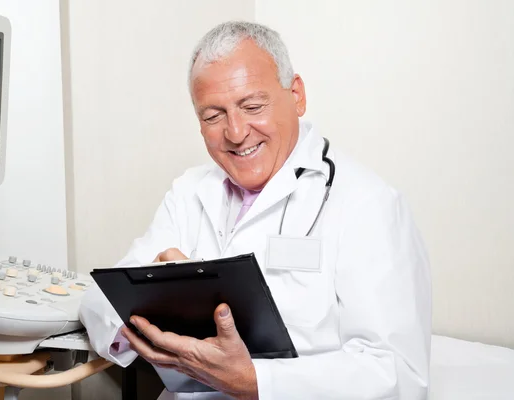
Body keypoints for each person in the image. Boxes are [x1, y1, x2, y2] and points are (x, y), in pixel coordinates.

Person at [80, 21, 431, 400]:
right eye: (213, 116)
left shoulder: (368, 203)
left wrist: (255, 381)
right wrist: (146, 321)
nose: (235, 132)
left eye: (252, 106)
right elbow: (100, 300)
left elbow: (397, 373)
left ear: (296, 94)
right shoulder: (190, 192)